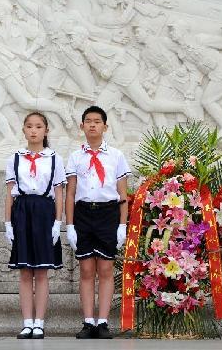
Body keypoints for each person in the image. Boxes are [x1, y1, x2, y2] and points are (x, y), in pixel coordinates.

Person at [65, 106, 130, 339]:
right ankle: (88, 321)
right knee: (86, 269)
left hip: (107, 214)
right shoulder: (75, 157)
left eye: (97, 121)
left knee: (105, 268)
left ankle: (102, 322)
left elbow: (123, 193)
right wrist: (69, 225)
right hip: (83, 214)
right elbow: (70, 193)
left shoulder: (116, 156)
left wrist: (122, 225)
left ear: (105, 126)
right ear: (82, 126)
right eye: (88, 121)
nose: (93, 125)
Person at [4, 112, 66, 339]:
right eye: (29, 126)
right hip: (21, 210)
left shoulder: (54, 159)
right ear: (23, 130)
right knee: (24, 271)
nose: (33, 130)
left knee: (41, 271)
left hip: (44, 211)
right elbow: (9, 193)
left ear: (46, 131)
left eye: (38, 126)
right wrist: (8, 223)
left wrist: (58, 222)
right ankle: (27, 322)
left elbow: (59, 192)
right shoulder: (15, 158)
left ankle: (39, 322)